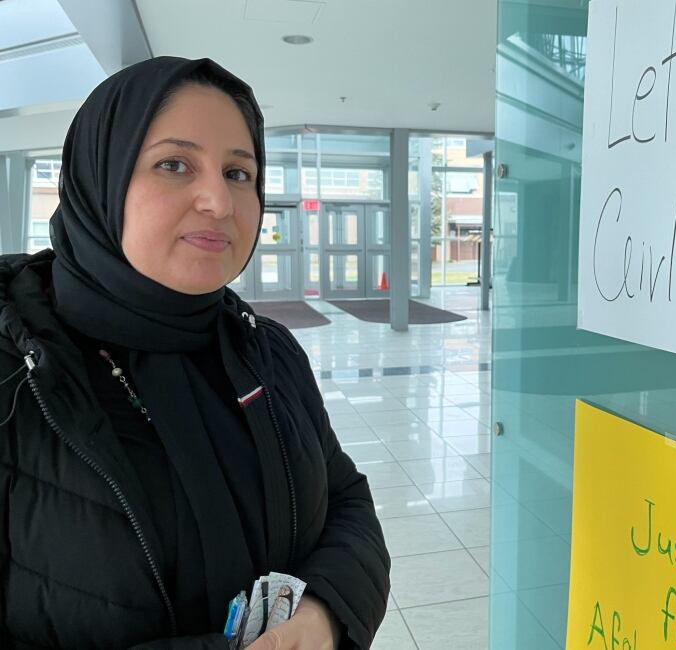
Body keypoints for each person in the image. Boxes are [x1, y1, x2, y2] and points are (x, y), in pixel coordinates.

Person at [0, 56, 390, 649]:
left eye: (239, 172)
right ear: (97, 179)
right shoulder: (17, 376)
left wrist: (325, 613)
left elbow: (345, 500)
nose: (219, 201)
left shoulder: (270, 353)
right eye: (174, 164)